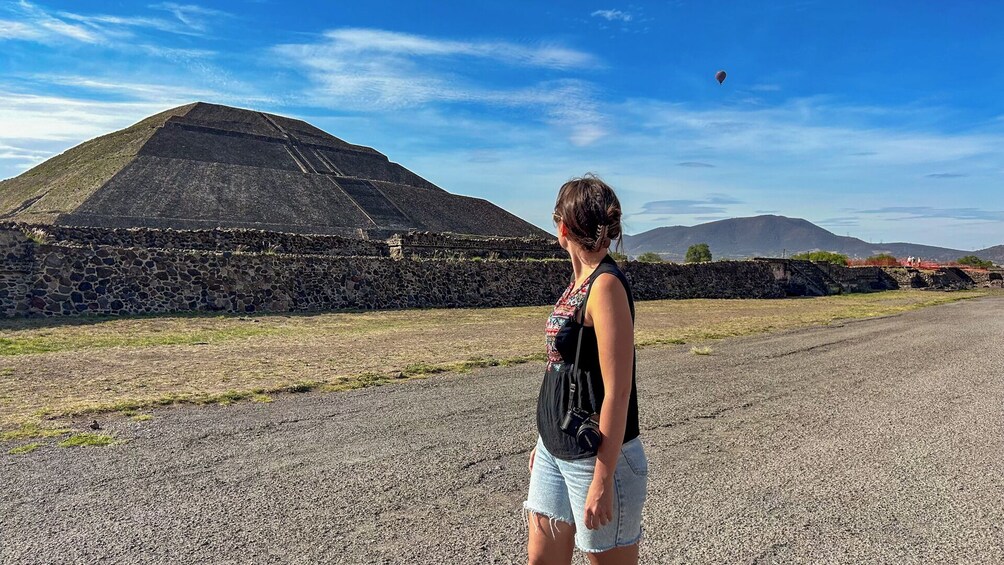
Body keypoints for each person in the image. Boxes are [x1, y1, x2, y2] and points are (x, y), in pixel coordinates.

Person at [525, 174, 647, 565]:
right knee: (542, 559)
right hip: (555, 447)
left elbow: (618, 391)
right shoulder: (578, 281)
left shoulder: (605, 285)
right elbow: (565, 369)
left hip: (595, 456)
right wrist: (545, 439)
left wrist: (602, 479)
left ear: (562, 227)